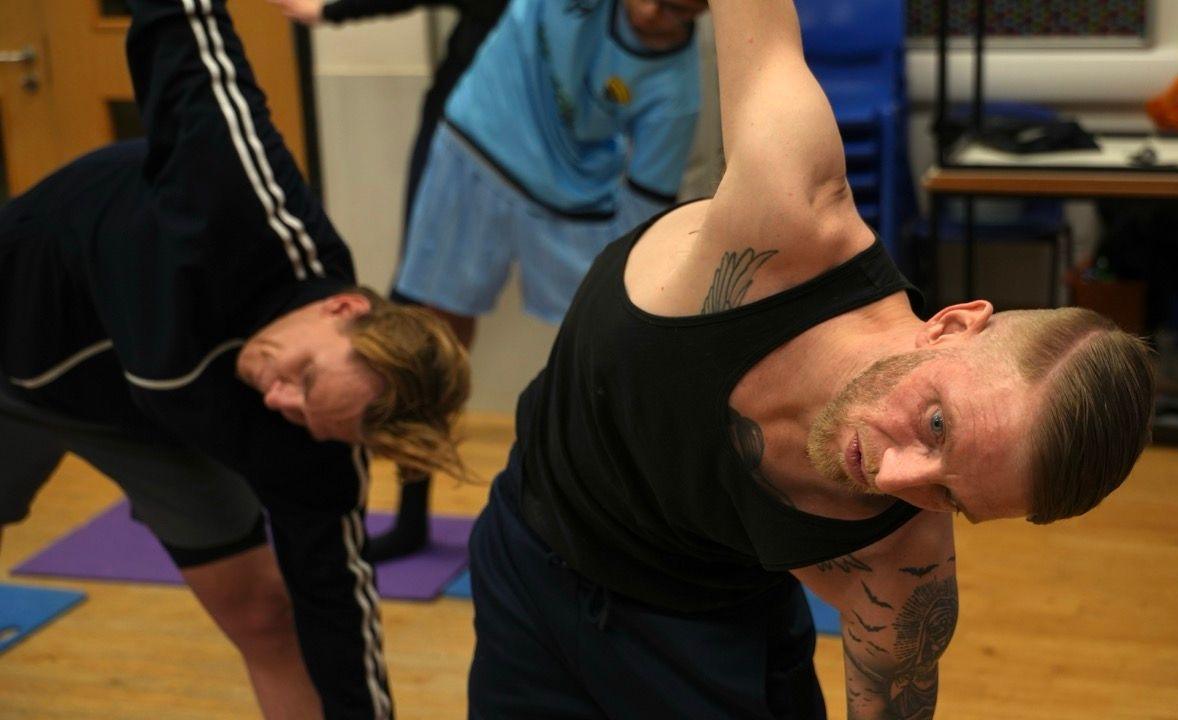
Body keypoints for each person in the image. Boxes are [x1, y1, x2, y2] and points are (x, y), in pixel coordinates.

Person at [463, 0, 1157, 717]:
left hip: (703, 648)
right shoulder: (789, 214)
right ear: (952, 325)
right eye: (938, 425)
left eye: (950, 497)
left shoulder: (903, 568)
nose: (894, 476)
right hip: (529, 557)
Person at [0, 1, 469, 718]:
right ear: (345, 307)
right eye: (303, 378)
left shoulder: (314, 432)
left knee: (268, 617)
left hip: (148, 424)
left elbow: (342, 622)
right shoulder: (237, 197)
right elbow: (181, 21)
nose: (278, 401)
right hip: (12, 355)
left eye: (307, 416)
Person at [373, 0, 708, 560]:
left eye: (680, 10)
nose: (654, 14)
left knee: (605, 348)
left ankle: (601, 520)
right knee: (434, 337)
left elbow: (643, 214)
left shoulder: (677, 91)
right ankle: (411, 513)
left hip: (571, 198)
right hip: (477, 147)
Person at [268, 0, 509, 561]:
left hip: (561, 130)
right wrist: (331, 11)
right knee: (422, 318)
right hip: (462, 122)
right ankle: (411, 514)